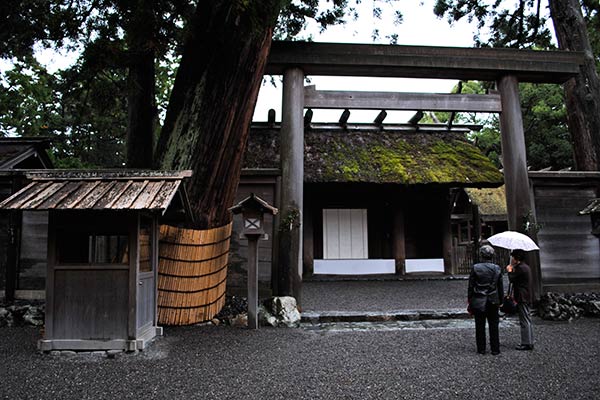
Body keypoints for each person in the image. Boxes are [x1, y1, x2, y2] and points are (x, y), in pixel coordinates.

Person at [468, 245, 504, 355]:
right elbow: (500, 286)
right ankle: (495, 348)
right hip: (493, 299)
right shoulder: (497, 268)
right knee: (494, 325)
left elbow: (471, 286)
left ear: (481, 255)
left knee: (479, 325)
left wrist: (470, 300)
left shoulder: (475, 268)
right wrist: (501, 300)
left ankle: (481, 348)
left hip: (479, 298)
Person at [507, 248, 534, 351]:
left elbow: (512, 279)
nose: (512, 259)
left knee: (524, 320)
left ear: (516, 258)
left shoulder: (521, 268)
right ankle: (529, 341)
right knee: (527, 319)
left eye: (513, 257)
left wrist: (509, 271)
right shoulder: (525, 267)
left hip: (522, 297)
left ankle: (526, 342)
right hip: (526, 295)